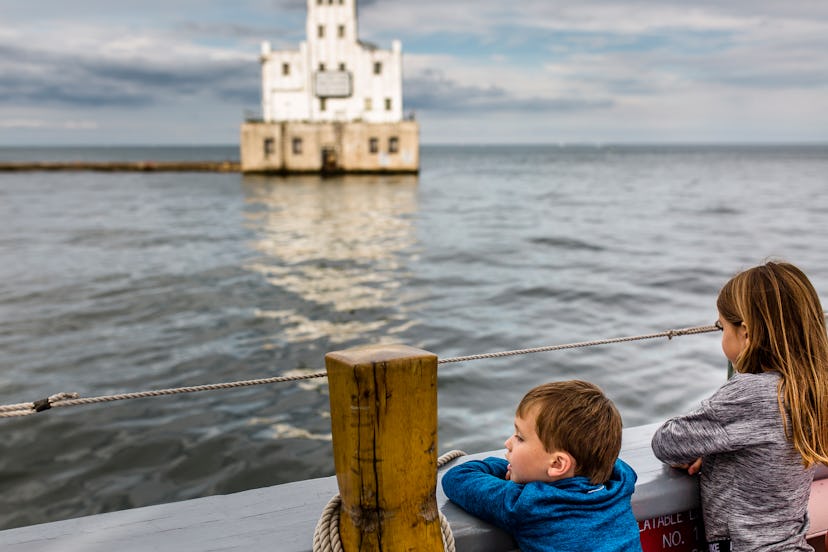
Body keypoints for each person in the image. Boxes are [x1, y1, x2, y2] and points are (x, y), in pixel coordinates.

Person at [652, 261, 828, 551]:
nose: (722, 335)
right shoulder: (811, 389)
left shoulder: (750, 394)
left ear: (746, 333)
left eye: (722, 327)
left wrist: (705, 445)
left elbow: (667, 442)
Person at [441, 380, 642, 552]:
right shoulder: (619, 485)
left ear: (557, 464)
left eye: (520, 438)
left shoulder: (530, 504)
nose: (508, 443)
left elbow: (458, 477)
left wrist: (505, 467)